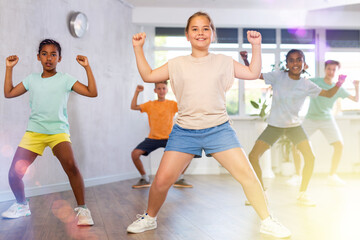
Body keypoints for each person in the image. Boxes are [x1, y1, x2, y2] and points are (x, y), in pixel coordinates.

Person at [127, 12, 291, 238]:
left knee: (248, 176)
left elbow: (253, 73)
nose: (200, 33)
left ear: (212, 34)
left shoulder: (223, 61)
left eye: (205, 28)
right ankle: (150, 218)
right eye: (195, 29)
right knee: (162, 180)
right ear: (187, 35)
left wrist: (256, 45)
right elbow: (148, 75)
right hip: (184, 131)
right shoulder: (176, 64)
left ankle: (267, 220)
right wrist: (138, 47)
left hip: (219, 129)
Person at [2, 39, 97, 226]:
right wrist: (9, 68)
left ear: (59, 58)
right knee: (14, 173)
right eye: (44, 54)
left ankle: (83, 209)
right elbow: (9, 93)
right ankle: (22, 205)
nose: (49, 58)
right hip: (34, 132)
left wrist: (87, 67)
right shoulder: (31, 79)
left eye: (53, 54)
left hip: (58, 132)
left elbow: (92, 92)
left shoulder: (65, 79)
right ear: (38, 57)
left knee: (71, 167)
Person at [244, 49, 346, 207]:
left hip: (294, 127)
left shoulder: (306, 84)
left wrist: (339, 83)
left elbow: (327, 94)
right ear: (287, 63)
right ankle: (260, 193)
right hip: (275, 126)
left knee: (310, 157)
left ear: (303, 63)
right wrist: (245, 59)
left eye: (298, 59)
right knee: (253, 156)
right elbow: (255, 74)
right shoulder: (278, 76)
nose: (295, 63)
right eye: (291, 60)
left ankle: (303, 193)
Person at [287, 60, 359, 187]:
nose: (331, 72)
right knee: (295, 144)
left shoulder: (339, 88)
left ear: (337, 72)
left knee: (339, 145)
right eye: (329, 69)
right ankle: (297, 175)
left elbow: (355, 99)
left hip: (327, 119)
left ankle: (332, 175)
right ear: (325, 70)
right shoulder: (315, 82)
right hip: (311, 118)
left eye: (334, 70)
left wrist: (356, 86)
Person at [130, 82, 192, 188]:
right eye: (158, 88)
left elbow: (187, 107)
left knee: (190, 152)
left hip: (169, 138)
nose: (161, 90)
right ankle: (144, 178)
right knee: (135, 154)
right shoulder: (149, 105)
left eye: (163, 88)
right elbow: (133, 107)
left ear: (167, 90)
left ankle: (180, 179)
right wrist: (137, 92)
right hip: (153, 138)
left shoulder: (172, 104)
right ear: (155, 91)